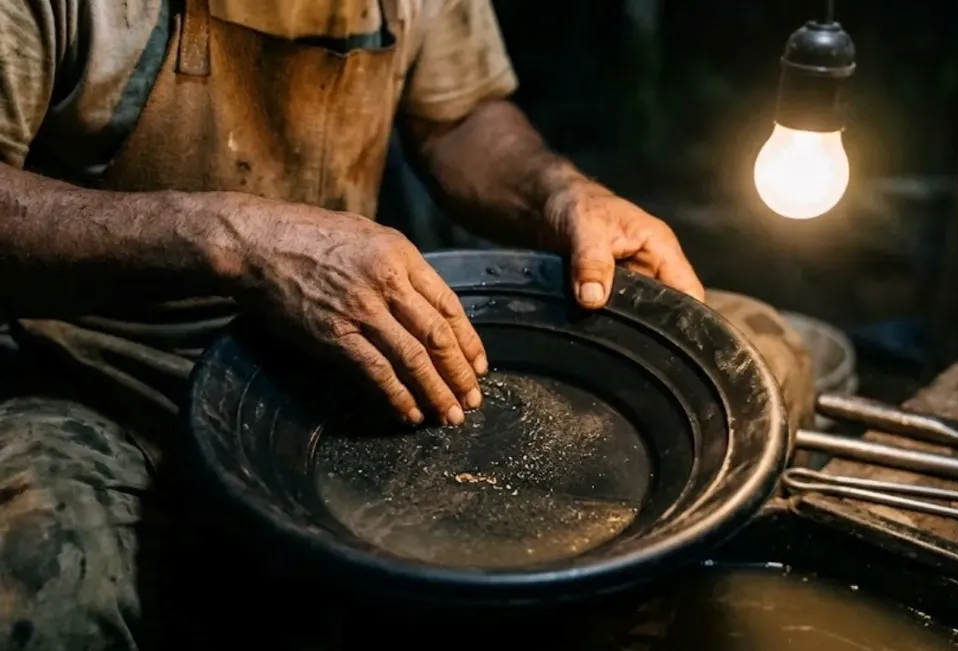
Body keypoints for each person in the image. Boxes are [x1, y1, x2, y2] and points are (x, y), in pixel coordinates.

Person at [0, 0, 815, 646]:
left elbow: (459, 118)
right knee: (46, 580)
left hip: (338, 347)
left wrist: (559, 193)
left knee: (759, 362)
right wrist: (233, 239)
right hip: (100, 369)